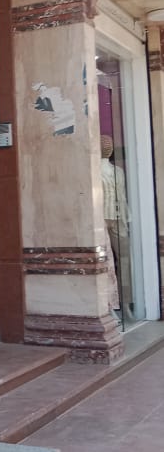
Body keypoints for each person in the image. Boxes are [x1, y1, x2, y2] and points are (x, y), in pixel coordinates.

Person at [100, 134, 130, 319]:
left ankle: (126, 302)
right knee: (106, 263)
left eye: (109, 144)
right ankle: (109, 305)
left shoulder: (118, 171)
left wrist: (127, 218)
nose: (107, 146)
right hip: (102, 220)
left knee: (125, 259)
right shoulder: (93, 171)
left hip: (119, 218)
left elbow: (123, 197)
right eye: (104, 144)